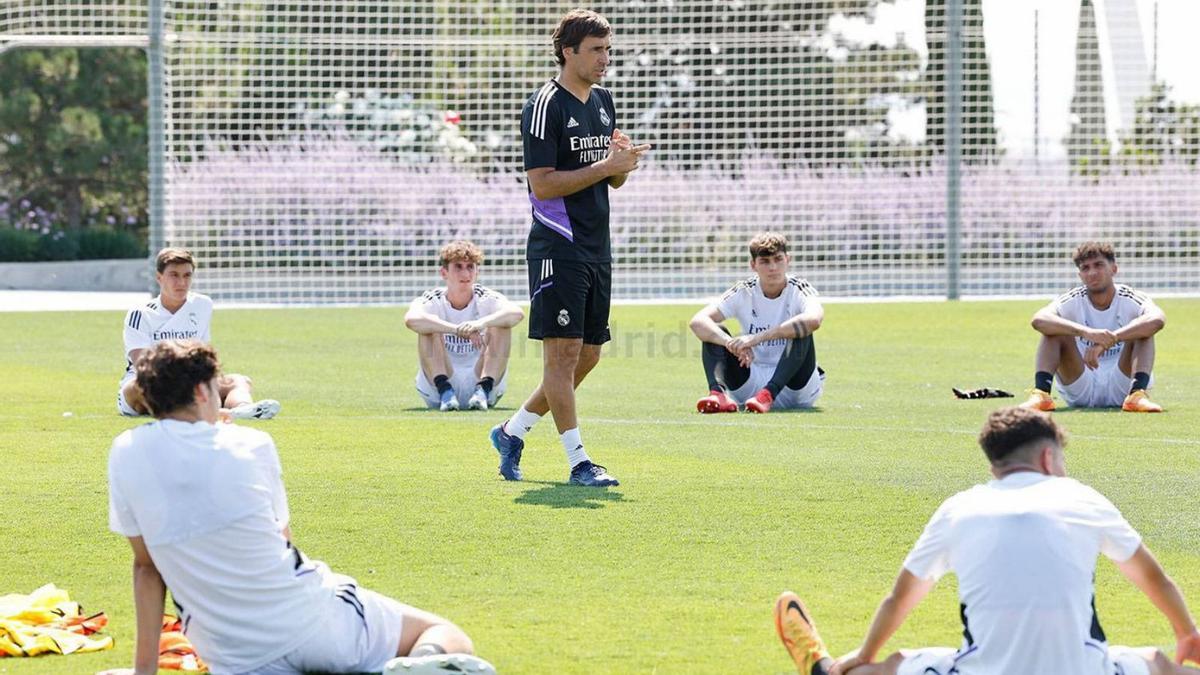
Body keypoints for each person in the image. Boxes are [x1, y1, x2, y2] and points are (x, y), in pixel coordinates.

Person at [102, 340, 495, 675]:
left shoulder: (125, 452)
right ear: (203, 393)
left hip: (229, 652)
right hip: (309, 618)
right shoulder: (250, 444)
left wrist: (144, 672)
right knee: (446, 635)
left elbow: (146, 567)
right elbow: (280, 539)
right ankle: (419, 661)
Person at [773, 407, 1200, 675]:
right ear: (1049, 458)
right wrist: (1186, 634)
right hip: (1085, 669)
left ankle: (825, 669)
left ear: (996, 466)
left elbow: (898, 600)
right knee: (1160, 664)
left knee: (893, 664)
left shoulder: (958, 507)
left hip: (979, 669)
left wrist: (865, 654)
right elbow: (1156, 580)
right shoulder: (1082, 497)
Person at [489, 8, 650, 486]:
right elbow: (542, 186)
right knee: (560, 358)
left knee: (589, 355)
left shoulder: (603, 101)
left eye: (608, 49)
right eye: (597, 50)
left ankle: (511, 431)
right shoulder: (545, 105)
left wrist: (619, 163)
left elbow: (612, 181)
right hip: (558, 247)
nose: (605, 59)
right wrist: (604, 168)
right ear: (568, 52)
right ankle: (579, 461)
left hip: (597, 248)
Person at [118, 247, 280, 420]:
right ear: (159, 277)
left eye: (187, 275)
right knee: (137, 388)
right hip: (154, 383)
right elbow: (143, 366)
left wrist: (203, 382)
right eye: (174, 275)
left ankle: (242, 410)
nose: (181, 282)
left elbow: (203, 354)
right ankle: (203, 411)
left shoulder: (202, 305)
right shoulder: (140, 313)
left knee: (239, 381)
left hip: (190, 381)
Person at [1020, 241, 1166, 413]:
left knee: (1142, 328)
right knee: (1054, 329)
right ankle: (1042, 395)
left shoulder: (1130, 298)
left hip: (1123, 383)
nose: (1092, 273)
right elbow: (1038, 320)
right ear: (1080, 275)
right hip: (1081, 381)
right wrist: (1086, 332)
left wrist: (1110, 339)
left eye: (1099, 265)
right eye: (1085, 268)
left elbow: (1157, 319)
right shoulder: (1073, 299)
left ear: (1114, 269)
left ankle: (1137, 395)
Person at [688, 232, 824, 414]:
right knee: (715, 332)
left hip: (796, 387)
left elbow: (814, 319)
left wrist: (755, 339)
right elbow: (698, 321)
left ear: (788, 260)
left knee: (800, 329)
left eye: (778, 259)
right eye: (765, 261)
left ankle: (768, 394)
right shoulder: (744, 291)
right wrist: (730, 343)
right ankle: (718, 395)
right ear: (753, 265)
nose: (773, 267)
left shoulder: (799, 288)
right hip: (752, 383)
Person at [404, 240, 523, 412]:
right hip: (437, 385)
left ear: (477, 271)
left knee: (501, 323)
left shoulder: (485, 297)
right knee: (428, 325)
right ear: (444, 272)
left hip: (481, 379)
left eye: (470, 267)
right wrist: (457, 330)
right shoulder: (433, 298)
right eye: (458, 267)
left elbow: (517, 313)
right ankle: (446, 392)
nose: (465, 273)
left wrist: (480, 323)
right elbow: (411, 319)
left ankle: (483, 389)